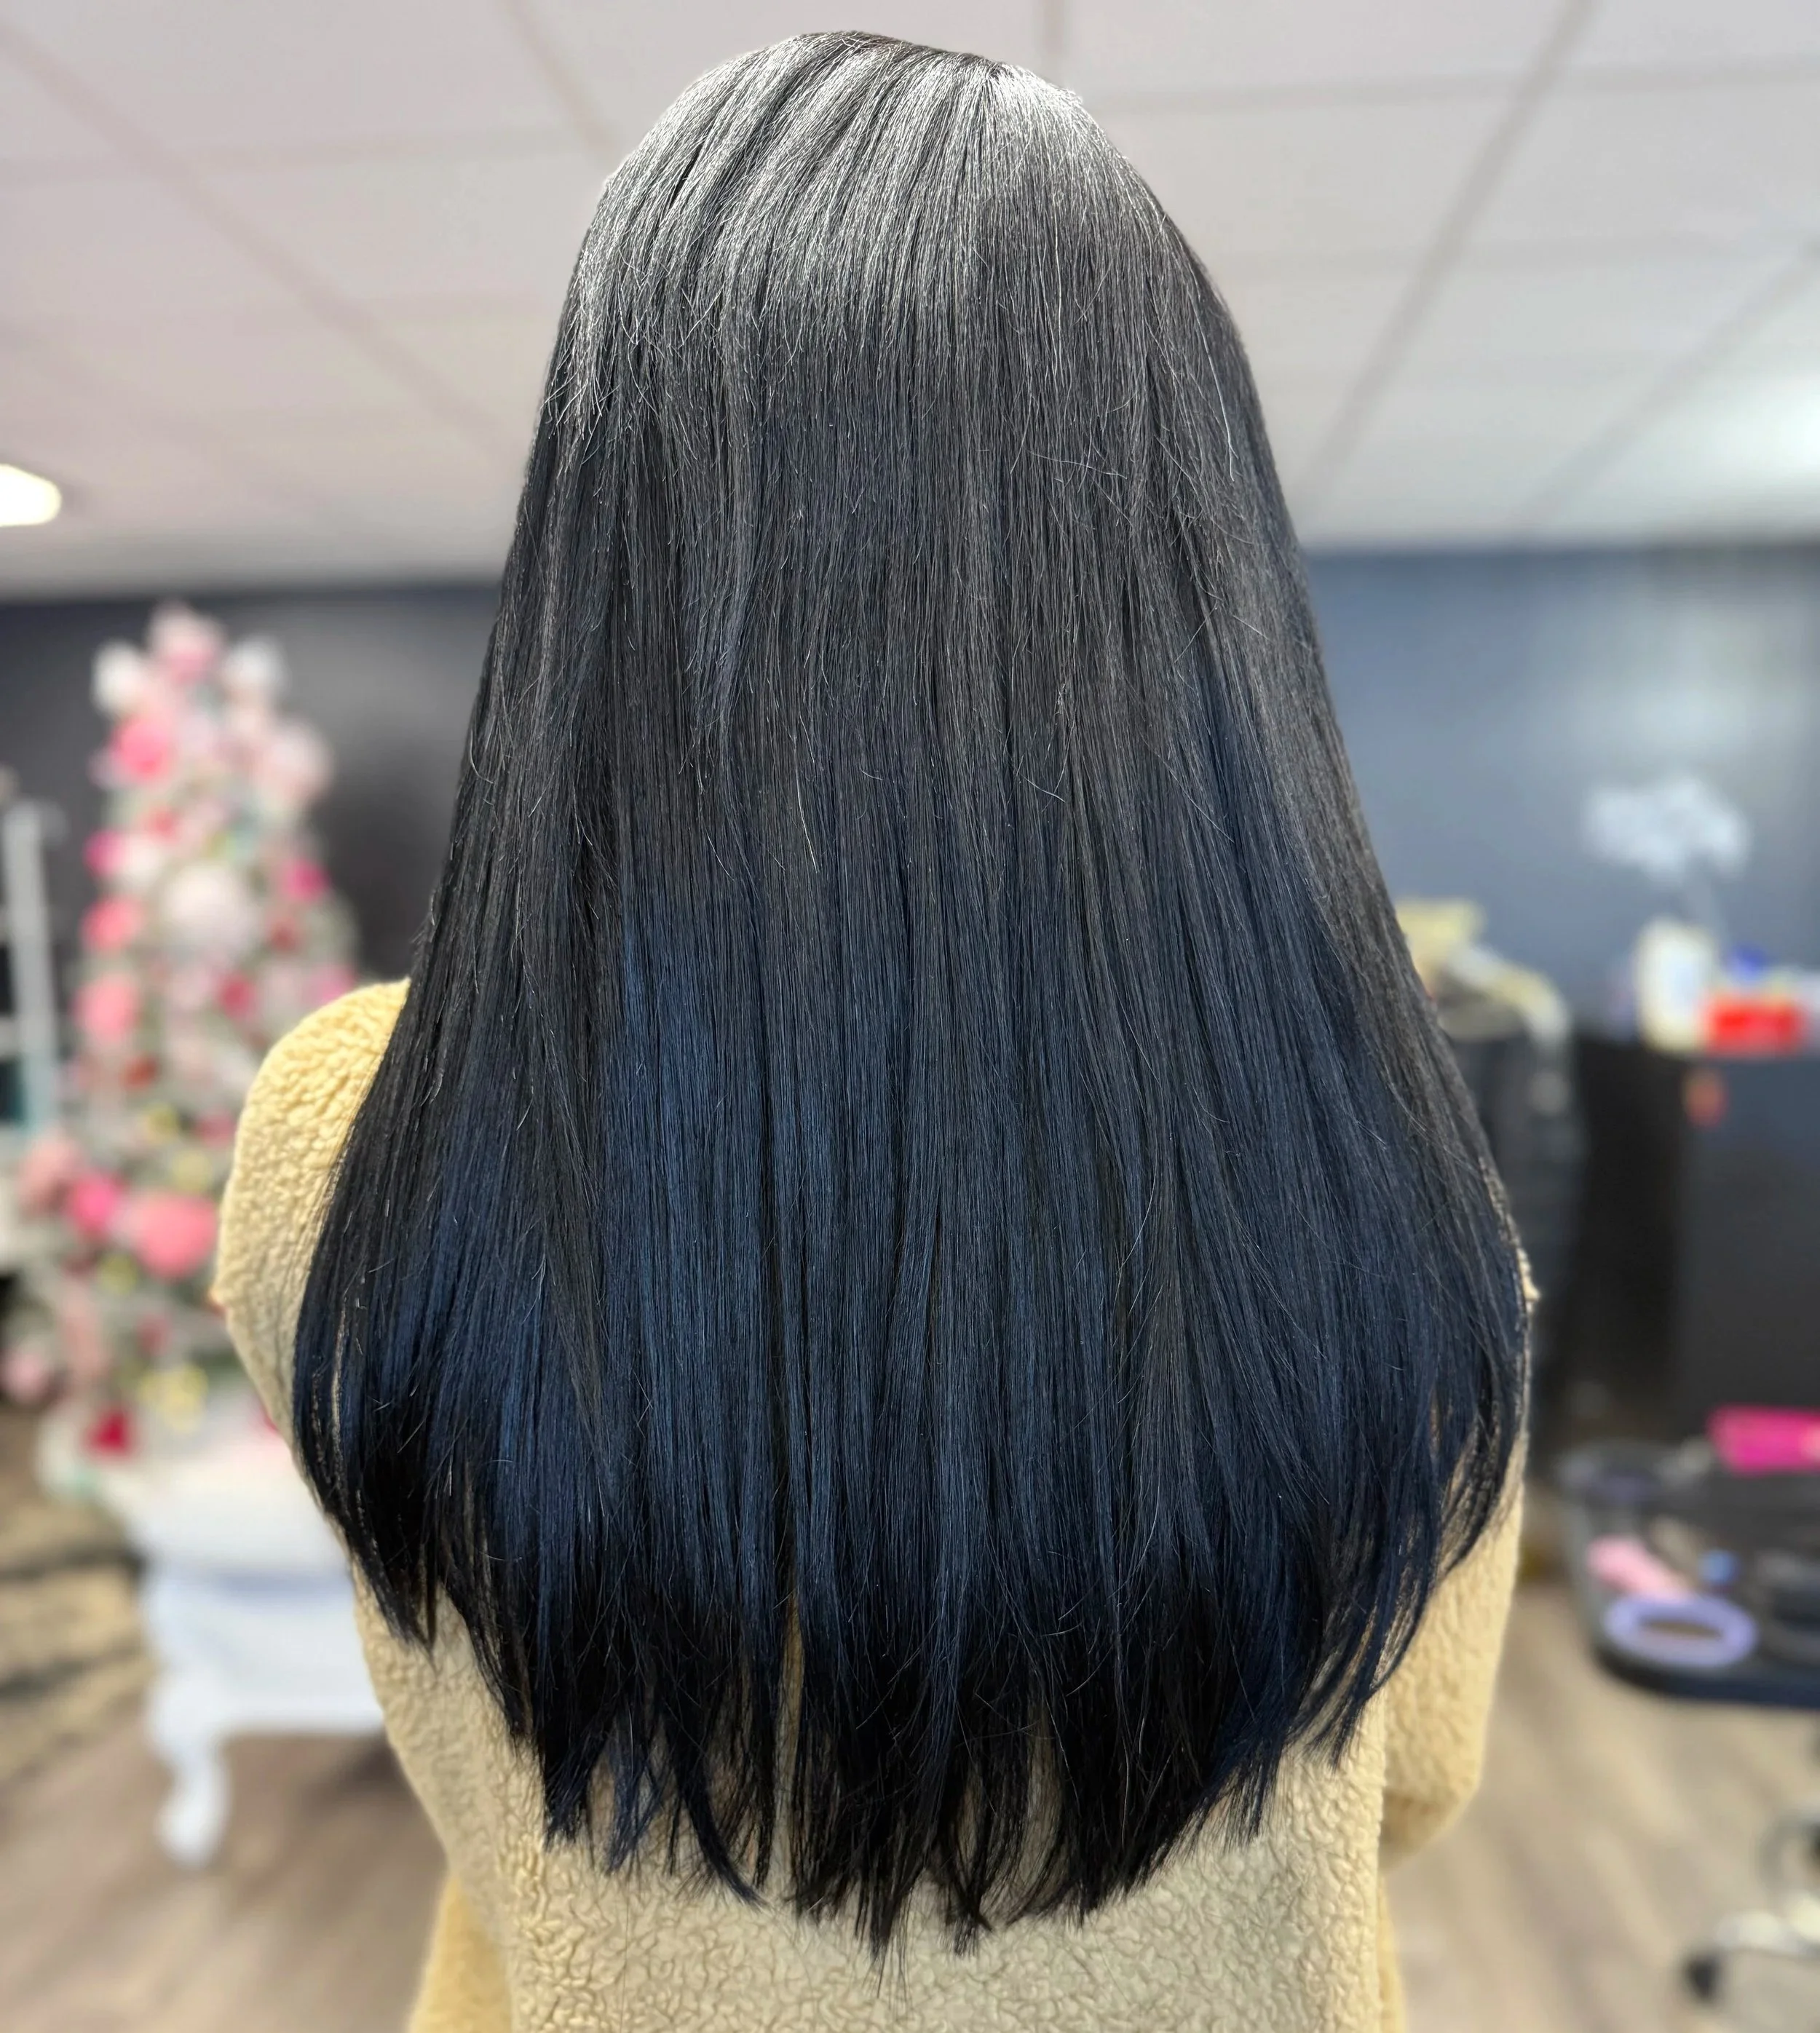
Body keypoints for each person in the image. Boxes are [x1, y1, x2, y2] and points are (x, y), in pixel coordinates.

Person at [217, 32, 1527, 2032]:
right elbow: (1412, 1780)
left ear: (609, 550)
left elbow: (470, 1731)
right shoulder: (1372, 1145)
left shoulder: (349, 1138)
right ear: (1198, 554)